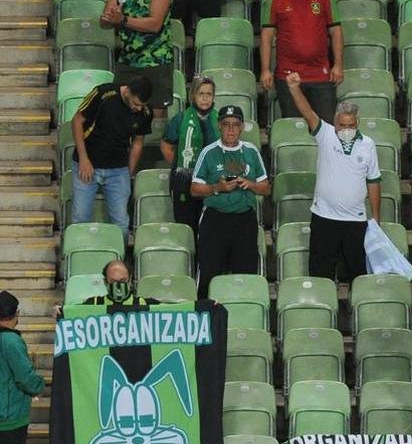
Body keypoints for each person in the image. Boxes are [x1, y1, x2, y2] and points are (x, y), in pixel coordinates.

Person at [283, 71, 381, 283]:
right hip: (324, 218)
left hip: (355, 221)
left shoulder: (368, 145)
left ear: (357, 123)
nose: (346, 129)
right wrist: (294, 88)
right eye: (342, 125)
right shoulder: (325, 134)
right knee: (320, 276)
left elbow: (373, 181)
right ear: (335, 122)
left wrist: (375, 217)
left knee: (358, 277)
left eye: (351, 126)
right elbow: (308, 112)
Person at [190, 106, 271, 299]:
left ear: (242, 127)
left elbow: (266, 188)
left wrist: (250, 184)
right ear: (219, 126)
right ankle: (206, 313)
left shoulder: (251, 151)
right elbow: (194, 189)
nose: (231, 129)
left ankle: (245, 312)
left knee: (245, 275)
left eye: (235, 125)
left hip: (244, 221)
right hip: (215, 220)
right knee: (209, 274)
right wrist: (217, 188)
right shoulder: (209, 152)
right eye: (226, 125)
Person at [261, 0, 344, 123]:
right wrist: (265, 69)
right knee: (295, 130)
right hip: (288, 76)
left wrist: (338, 65)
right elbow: (266, 37)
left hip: (321, 75)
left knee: (325, 130)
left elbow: (336, 32)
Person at [70, 76, 152, 234]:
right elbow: (77, 121)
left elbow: (137, 143)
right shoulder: (103, 93)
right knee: (80, 217)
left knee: (121, 223)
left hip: (118, 169)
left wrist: (129, 172)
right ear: (127, 91)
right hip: (88, 164)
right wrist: (83, 159)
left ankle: (120, 251)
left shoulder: (146, 112)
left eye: (142, 105)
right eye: (135, 104)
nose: (138, 109)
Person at [99, 0, 174, 119]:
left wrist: (123, 20)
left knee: (156, 112)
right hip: (128, 60)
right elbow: (105, 21)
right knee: (120, 110)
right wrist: (109, 18)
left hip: (156, 59)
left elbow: (155, 24)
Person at [0, 291, 43, 444]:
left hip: (7, 418)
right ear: (15, 314)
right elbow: (26, 377)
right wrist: (38, 386)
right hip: (9, 420)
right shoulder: (11, 342)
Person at [161, 75, 218, 234]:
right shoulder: (180, 119)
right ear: (192, 95)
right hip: (183, 182)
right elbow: (166, 146)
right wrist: (182, 167)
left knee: (209, 229)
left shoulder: (220, 120)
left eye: (209, 94)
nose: (205, 98)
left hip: (212, 181)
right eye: (201, 94)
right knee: (186, 229)